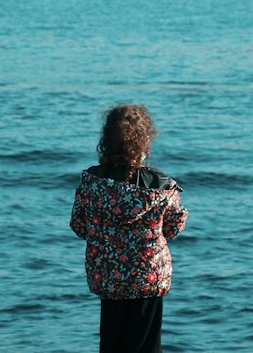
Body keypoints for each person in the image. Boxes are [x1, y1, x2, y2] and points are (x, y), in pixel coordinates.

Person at [70, 104, 187, 353]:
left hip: (108, 277)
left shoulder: (93, 181)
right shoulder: (161, 185)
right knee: (147, 346)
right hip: (148, 277)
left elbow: (79, 226)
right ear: (145, 140)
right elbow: (174, 228)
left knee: (111, 343)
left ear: (107, 138)